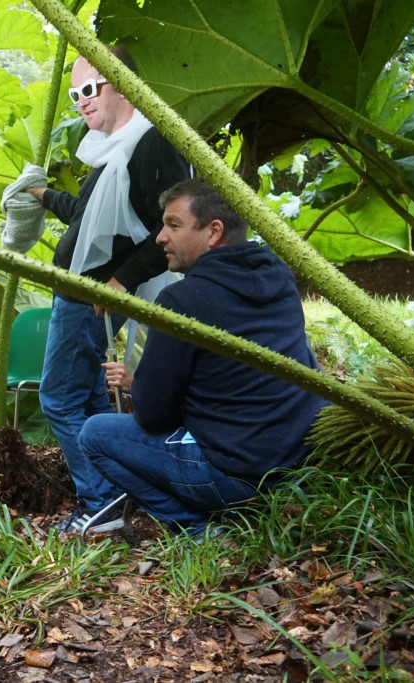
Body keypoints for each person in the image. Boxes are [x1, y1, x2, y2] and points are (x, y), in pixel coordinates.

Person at [81, 178, 328, 536]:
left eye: (174, 225)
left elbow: (152, 416)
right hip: (293, 464)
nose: (160, 237)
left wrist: (140, 386)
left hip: (237, 476)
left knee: (95, 434)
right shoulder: (278, 275)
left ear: (214, 232)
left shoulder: (182, 302)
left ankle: (196, 530)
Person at [22, 46, 191, 534]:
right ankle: (114, 496)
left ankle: (98, 505)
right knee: (91, 397)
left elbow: (174, 227)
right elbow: (87, 217)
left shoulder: (149, 142)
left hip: (90, 296)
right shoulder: (115, 148)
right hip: (83, 292)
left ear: (122, 84)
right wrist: (40, 195)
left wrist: (121, 281)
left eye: (89, 89)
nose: (80, 101)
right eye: (75, 93)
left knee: (58, 397)